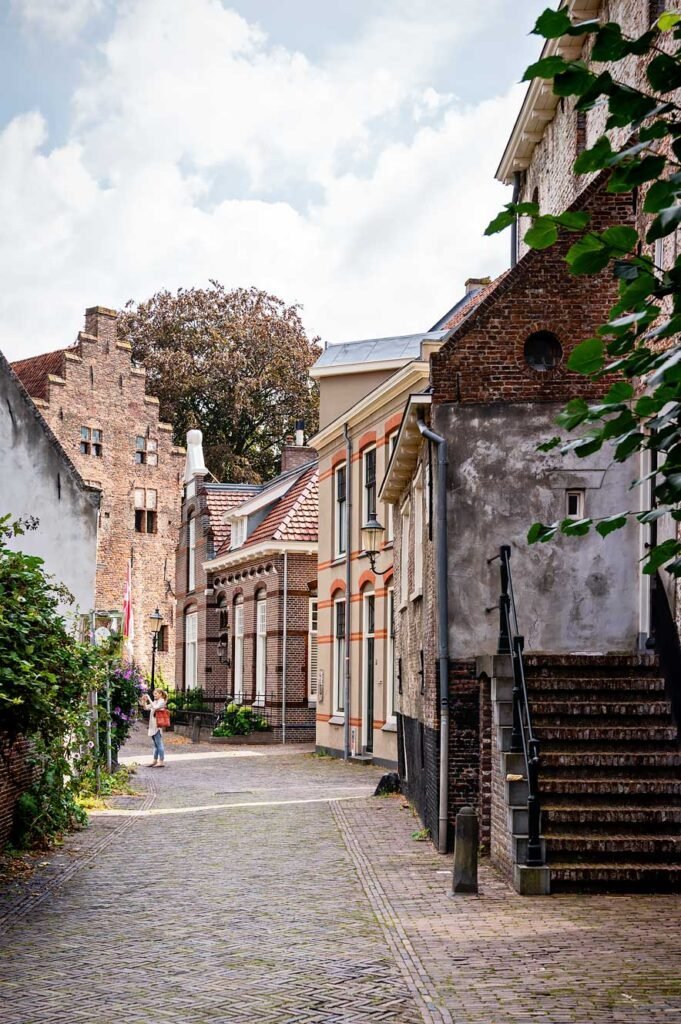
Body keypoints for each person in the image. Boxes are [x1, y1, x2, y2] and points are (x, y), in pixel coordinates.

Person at [139, 688, 167, 767]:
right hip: (152, 725)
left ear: (160, 694)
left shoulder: (162, 701)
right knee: (155, 744)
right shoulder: (155, 701)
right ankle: (155, 760)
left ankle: (161, 761)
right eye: (154, 694)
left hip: (157, 726)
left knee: (159, 743)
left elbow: (155, 707)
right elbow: (146, 708)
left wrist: (149, 698)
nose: (154, 695)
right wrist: (144, 701)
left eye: (156, 694)